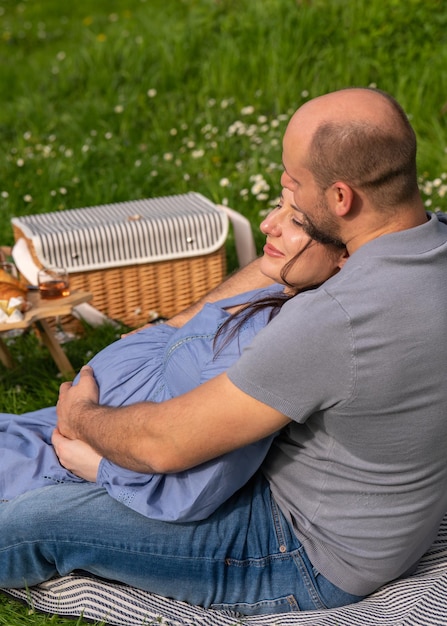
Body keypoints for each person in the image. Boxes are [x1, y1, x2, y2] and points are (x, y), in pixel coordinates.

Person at [1, 87, 447, 617]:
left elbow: (164, 445)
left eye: (292, 187)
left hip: (303, 554)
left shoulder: (336, 318)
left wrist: (81, 414)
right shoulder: (427, 246)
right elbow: (276, 276)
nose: (276, 214)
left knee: (37, 522)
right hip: (382, 525)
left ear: (341, 198)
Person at [0, 188, 347, 522]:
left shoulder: (277, 344)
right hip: (68, 427)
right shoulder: (287, 282)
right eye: (277, 204)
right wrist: (170, 328)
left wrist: (98, 467)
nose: (268, 224)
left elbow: (197, 489)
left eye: (297, 222)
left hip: (82, 460)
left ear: (345, 255)